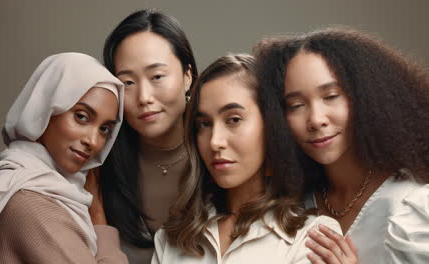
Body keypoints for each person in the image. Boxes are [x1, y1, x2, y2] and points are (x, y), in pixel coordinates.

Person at [255, 27, 429, 263]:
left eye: (331, 96)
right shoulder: (292, 204)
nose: (316, 119)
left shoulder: (412, 207)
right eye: (296, 105)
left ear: (366, 97)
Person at [152, 54, 342, 263]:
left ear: (271, 127)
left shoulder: (313, 239)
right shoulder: (171, 238)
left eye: (233, 119)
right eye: (204, 124)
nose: (215, 141)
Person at [0, 52, 128, 263]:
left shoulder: (41, 186)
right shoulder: (30, 199)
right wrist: (99, 220)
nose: (93, 141)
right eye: (81, 117)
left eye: (104, 129)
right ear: (46, 108)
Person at [87, 9, 198, 264]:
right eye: (127, 82)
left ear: (187, 76)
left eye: (157, 76)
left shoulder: (221, 157)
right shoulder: (98, 165)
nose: (144, 97)